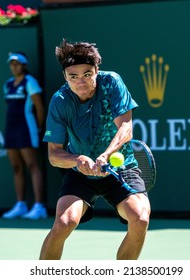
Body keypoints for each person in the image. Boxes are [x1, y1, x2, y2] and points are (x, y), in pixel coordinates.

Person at [39, 39, 151, 259]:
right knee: (64, 222)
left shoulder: (112, 82)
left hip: (122, 168)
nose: (81, 82)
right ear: (65, 77)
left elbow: (126, 128)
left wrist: (105, 155)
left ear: (97, 71)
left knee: (140, 218)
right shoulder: (59, 101)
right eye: (73, 76)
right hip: (80, 174)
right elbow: (54, 155)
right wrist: (78, 161)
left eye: (87, 75)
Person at [2, 52, 47, 220]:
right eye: (12, 64)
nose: (14, 67)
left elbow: (40, 109)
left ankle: (39, 206)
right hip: (11, 129)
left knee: (32, 165)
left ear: (24, 66)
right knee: (16, 167)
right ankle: (20, 205)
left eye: (17, 63)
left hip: (26, 129)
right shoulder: (8, 84)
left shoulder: (30, 82)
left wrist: (38, 128)